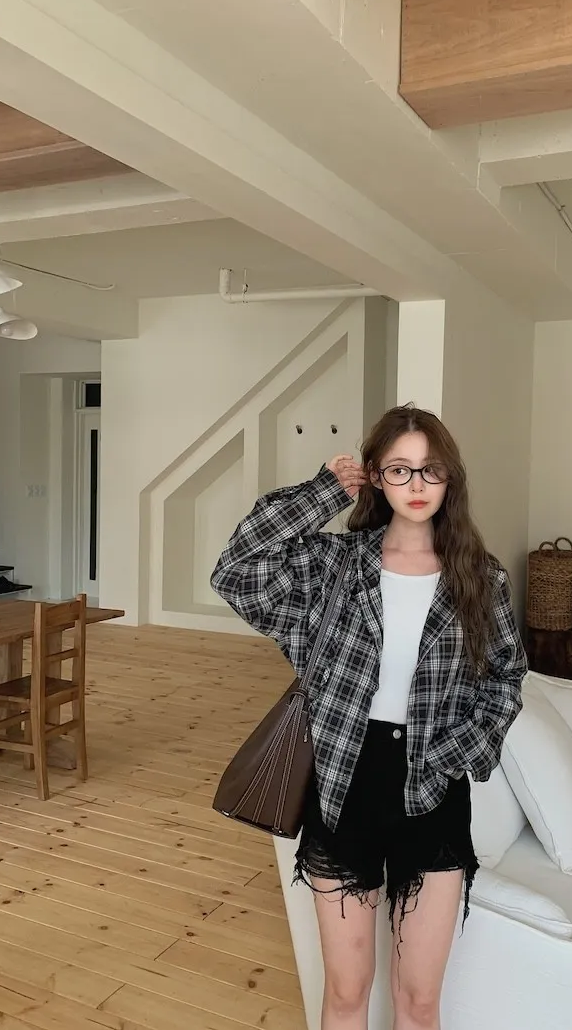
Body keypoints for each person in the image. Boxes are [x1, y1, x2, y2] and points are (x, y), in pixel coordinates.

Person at [211, 404, 526, 1030]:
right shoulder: (333, 566)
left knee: (420, 1002)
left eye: (430, 470)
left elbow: (505, 677)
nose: (416, 484)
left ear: (450, 479)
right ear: (377, 478)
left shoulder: (480, 578)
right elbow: (237, 571)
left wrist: (456, 753)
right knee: (346, 994)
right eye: (399, 469)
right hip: (343, 789)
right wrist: (324, 492)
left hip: (433, 792)